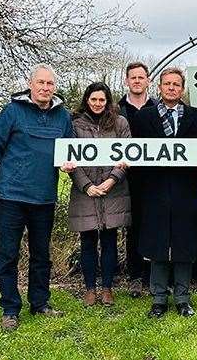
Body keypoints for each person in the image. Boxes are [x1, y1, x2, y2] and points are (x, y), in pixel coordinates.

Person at [0, 63, 75, 331]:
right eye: (41, 83)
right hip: (11, 196)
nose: (45, 88)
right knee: (8, 254)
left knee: (41, 255)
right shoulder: (12, 111)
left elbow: (69, 151)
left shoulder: (62, 117)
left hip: (44, 198)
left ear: (54, 87)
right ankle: (10, 308)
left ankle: (40, 303)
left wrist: (69, 164)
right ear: (31, 85)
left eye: (50, 84)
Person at [130, 67, 197, 318]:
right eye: (167, 84)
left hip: (187, 190)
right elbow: (137, 154)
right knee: (157, 243)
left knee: (185, 243)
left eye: (176, 84)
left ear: (182, 89)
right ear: (160, 87)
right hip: (154, 191)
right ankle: (158, 299)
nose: (172, 88)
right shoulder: (144, 117)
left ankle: (183, 298)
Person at [68, 82, 131, 307]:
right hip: (85, 192)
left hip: (113, 191)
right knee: (87, 241)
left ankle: (107, 288)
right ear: (87, 100)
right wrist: (86, 186)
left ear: (108, 101)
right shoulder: (75, 125)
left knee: (109, 240)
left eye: (102, 100)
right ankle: (89, 289)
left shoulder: (120, 123)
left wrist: (111, 181)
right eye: (93, 99)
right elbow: (70, 160)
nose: (97, 104)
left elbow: (127, 156)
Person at [118, 62, 157, 298]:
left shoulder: (158, 108)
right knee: (132, 226)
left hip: (153, 176)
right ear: (127, 81)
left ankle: (155, 274)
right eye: (133, 77)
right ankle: (134, 276)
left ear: (148, 81)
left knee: (154, 224)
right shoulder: (117, 109)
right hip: (124, 176)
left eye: (141, 77)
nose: (137, 81)